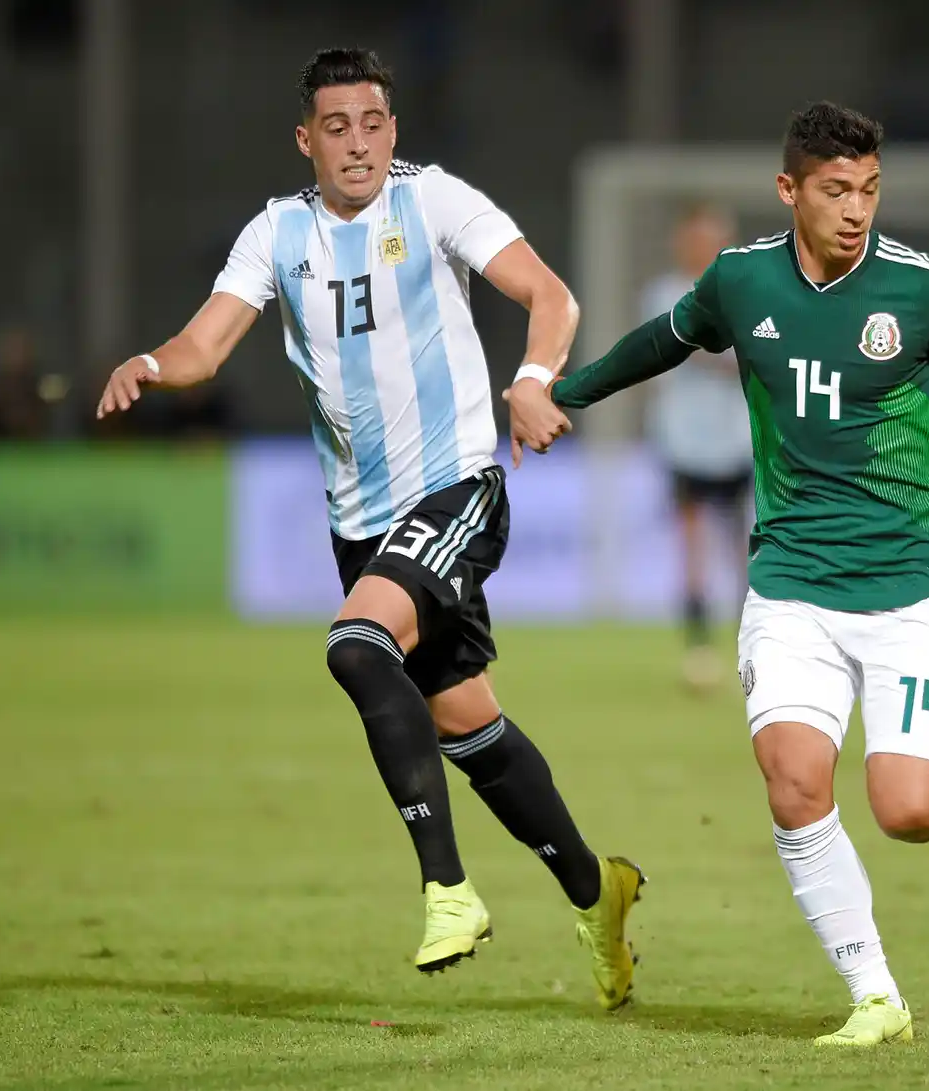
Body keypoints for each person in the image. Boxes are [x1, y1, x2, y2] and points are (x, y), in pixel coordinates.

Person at [505, 101, 929, 1046]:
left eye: (868, 189)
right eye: (835, 190)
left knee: (911, 815)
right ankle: (876, 996)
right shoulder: (741, 280)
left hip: (912, 579)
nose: (856, 209)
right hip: (791, 580)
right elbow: (663, 340)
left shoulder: (927, 290)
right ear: (789, 190)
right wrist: (555, 393)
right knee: (793, 783)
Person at [96, 48, 642, 1011]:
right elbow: (204, 345)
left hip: (457, 485)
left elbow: (551, 295)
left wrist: (531, 381)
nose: (358, 143)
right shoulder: (277, 232)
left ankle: (448, 889)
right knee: (466, 723)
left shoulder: (432, 202)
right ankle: (599, 893)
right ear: (305, 140)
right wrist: (150, 362)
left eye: (374, 123)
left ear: (394, 129)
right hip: (361, 521)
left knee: (356, 644)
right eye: (337, 127)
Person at [639, 204, 754, 689]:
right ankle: (699, 645)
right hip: (685, 440)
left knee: (744, 543)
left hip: (739, 439)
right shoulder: (664, 295)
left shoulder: (745, 292)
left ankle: (754, 644)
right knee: (693, 545)